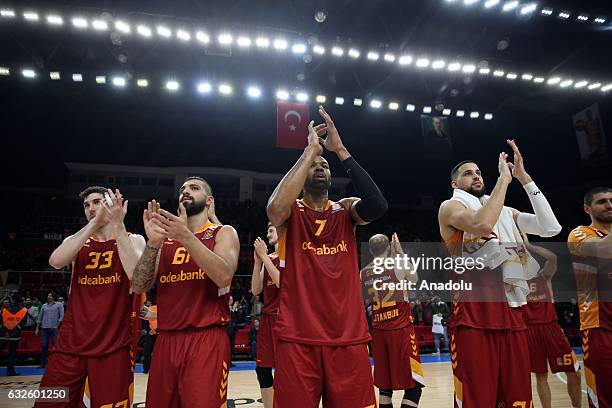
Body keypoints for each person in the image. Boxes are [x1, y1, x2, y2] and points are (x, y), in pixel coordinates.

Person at [267, 106, 387, 407]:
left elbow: (378, 204)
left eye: (325, 166)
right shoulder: (291, 213)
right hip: (298, 336)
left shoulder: (345, 209)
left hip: (347, 335)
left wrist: (340, 150)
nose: (321, 168)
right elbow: (273, 210)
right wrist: (309, 151)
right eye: (314, 166)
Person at [438, 140, 562, 407]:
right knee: (478, 399)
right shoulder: (450, 207)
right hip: (474, 315)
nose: (476, 176)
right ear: (455, 184)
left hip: (512, 311)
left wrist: (524, 179)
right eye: (468, 173)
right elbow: (482, 224)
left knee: (517, 398)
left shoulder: (505, 211)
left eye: (479, 172)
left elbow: (551, 227)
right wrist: (503, 181)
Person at [132, 176, 240, 408]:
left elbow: (223, 276)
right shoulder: (166, 241)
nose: (185, 191)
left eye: (194, 188)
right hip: (166, 340)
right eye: (182, 189)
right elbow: (139, 285)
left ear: (209, 201)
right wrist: (152, 244)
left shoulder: (223, 232)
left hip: (206, 338)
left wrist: (186, 237)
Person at [35, 187, 145, 408]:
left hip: (112, 344)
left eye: (97, 202)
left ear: (112, 204)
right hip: (71, 343)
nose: (91, 208)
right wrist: (94, 224)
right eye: (87, 205)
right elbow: (55, 261)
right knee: (49, 402)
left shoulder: (133, 239)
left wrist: (118, 225)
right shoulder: (77, 241)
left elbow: (136, 276)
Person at [360, 233, 423, 408]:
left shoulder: (363, 272)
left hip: (378, 333)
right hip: (400, 330)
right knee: (414, 388)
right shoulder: (398, 265)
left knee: (385, 388)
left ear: (371, 250)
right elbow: (415, 278)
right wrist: (401, 253)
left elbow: (364, 300)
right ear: (388, 248)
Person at [521, 234, 582, 408]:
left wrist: (528, 245)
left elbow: (552, 257)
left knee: (574, 371)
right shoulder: (514, 281)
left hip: (551, 328)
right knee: (541, 376)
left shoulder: (544, 276)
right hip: (530, 331)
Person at [567, 186, 612, 408]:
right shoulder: (580, 234)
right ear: (587, 208)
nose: (610, 205)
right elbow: (604, 250)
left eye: (611, 200)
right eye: (602, 201)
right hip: (599, 324)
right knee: (603, 394)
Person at [250, 223, 281, 408]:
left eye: (271, 229)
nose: (267, 232)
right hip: (267, 318)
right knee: (262, 370)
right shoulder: (267, 257)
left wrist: (264, 258)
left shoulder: (290, 254)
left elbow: (281, 283)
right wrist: (257, 262)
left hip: (284, 319)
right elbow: (255, 289)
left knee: (286, 369)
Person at [0, 295, 28, 376]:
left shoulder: (4, 310)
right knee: (12, 354)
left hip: (3, 335)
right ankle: (10, 371)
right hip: (15, 336)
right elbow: (22, 324)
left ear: (12, 301)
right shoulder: (24, 310)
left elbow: (2, 323)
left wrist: (6, 332)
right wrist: (13, 332)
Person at [35, 293, 64, 368]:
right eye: (48, 295)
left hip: (53, 329)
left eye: (50, 295)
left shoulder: (59, 304)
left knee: (55, 346)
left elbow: (61, 316)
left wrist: (57, 326)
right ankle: (42, 363)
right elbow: (39, 317)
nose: (48, 296)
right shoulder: (44, 306)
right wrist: (37, 328)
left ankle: (57, 363)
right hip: (44, 328)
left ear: (53, 297)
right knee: (44, 345)